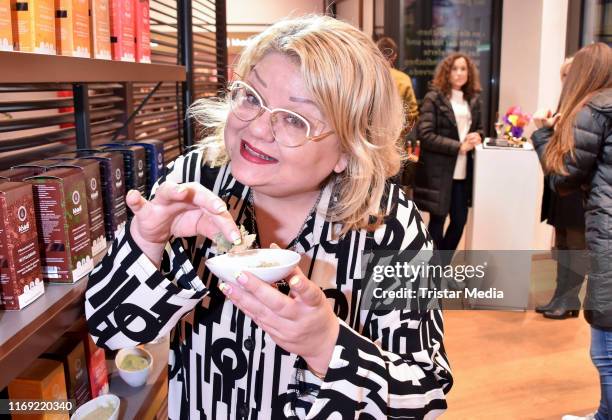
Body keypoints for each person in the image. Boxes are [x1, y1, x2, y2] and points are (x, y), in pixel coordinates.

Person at [85, 15, 452, 419]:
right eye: (251, 97)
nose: (257, 128)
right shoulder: (193, 181)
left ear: (349, 148)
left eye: (295, 119)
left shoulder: (391, 225)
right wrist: (147, 241)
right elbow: (111, 331)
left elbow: (426, 396)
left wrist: (326, 344)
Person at [532, 42, 611, 420]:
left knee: (605, 345)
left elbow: (563, 177)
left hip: (607, 236)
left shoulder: (594, 109)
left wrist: (541, 135)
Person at [414, 53, 483, 258]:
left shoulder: (474, 100)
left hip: (463, 173)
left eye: (463, 69)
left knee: (460, 220)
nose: (460, 73)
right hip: (439, 172)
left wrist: (477, 136)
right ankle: (435, 275)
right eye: (455, 68)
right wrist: (458, 147)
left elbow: (479, 129)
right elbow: (425, 135)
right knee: (438, 220)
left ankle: (439, 269)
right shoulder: (434, 98)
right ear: (447, 72)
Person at [536, 56, 588, 320]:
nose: (565, 81)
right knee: (563, 245)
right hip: (561, 189)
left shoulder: (584, 107)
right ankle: (560, 297)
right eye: (563, 76)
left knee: (576, 249)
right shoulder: (566, 105)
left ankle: (570, 301)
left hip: (576, 190)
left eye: (569, 75)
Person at [376, 36, 419, 130]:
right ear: (394, 56)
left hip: (370, 136)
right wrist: (401, 132)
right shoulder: (403, 79)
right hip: (396, 135)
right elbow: (412, 112)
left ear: (376, 53)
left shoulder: (367, 76)